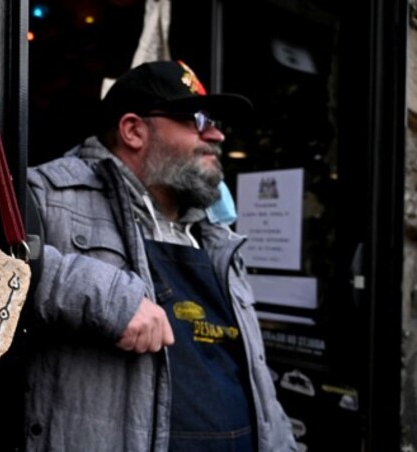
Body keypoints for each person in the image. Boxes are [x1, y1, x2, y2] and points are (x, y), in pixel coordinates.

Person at [23, 60, 296, 451]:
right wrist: (108, 298)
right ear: (134, 130)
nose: (217, 134)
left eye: (216, 122)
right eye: (198, 119)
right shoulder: (49, 195)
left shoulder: (217, 238)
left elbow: (255, 377)